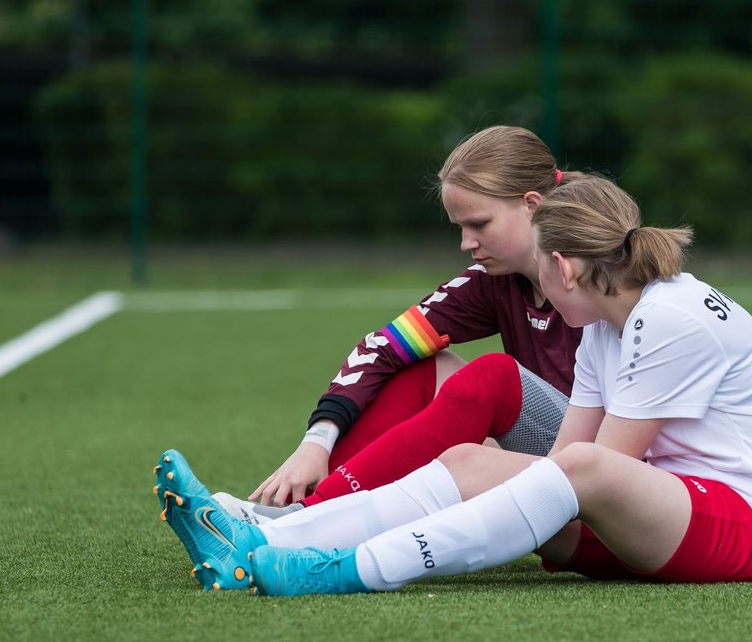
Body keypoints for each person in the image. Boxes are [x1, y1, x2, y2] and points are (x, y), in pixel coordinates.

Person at [155, 174, 752, 592]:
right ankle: (264, 541)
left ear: (562, 265)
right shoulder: (606, 327)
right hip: (666, 514)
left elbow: (593, 470)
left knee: (575, 468)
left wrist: (509, 494)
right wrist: (477, 478)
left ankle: (351, 568)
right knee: (472, 460)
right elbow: (560, 473)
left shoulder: (668, 318)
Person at [232, 126, 585, 512]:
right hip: (554, 453)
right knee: (417, 364)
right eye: (461, 228)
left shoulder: (607, 276)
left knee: (495, 377)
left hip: (613, 472)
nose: (467, 244)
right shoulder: (492, 283)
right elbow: (381, 348)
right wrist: (316, 443)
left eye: (479, 224)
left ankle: (306, 516)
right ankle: (303, 505)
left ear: (531, 205)